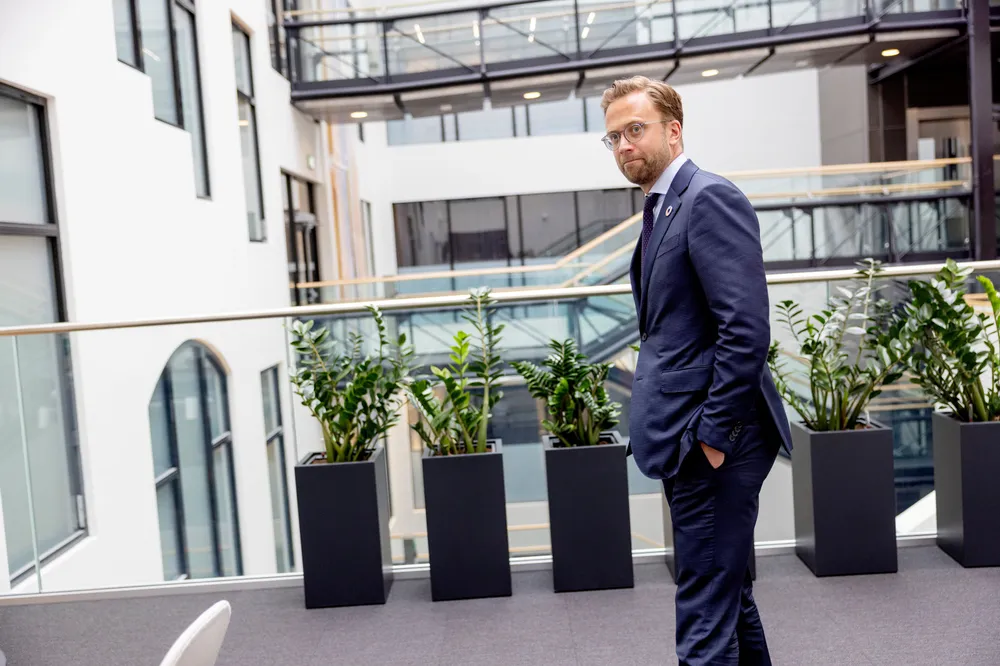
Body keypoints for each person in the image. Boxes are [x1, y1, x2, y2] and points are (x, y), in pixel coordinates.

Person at [601, 76, 793, 665]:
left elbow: (745, 330)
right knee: (726, 592)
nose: (624, 145)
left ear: (673, 131)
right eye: (613, 137)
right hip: (685, 436)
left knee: (704, 615)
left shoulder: (708, 198)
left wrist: (712, 438)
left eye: (636, 129)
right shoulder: (662, 206)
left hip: (714, 441)